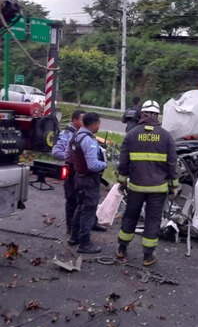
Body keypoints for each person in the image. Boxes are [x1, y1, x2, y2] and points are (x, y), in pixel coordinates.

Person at [115, 100, 179, 266]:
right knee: (153, 220)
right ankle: (148, 256)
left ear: (141, 114)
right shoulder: (166, 137)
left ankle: (121, 249)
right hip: (158, 189)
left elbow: (123, 163)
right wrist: (174, 186)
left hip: (136, 187)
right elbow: (172, 164)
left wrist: (122, 182)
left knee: (130, 216)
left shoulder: (131, 135)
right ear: (157, 116)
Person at [52, 109, 108, 235]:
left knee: (87, 202)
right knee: (74, 200)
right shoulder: (68, 134)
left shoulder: (82, 135)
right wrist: (78, 157)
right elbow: (57, 152)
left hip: (82, 171)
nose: (85, 122)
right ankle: (72, 229)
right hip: (73, 170)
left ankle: (90, 223)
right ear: (74, 121)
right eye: (83, 120)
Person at [65, 112, 107, 254]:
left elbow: (67, 156)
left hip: (78, 177)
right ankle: (84, 243)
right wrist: (105, 163)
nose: (99, 126)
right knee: (88, 211)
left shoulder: (74, 136)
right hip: (89, 180)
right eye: (99, 124)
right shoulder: (89, 140)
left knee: (80, 207)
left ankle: (73, 237)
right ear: (94, 124)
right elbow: (93, 165)